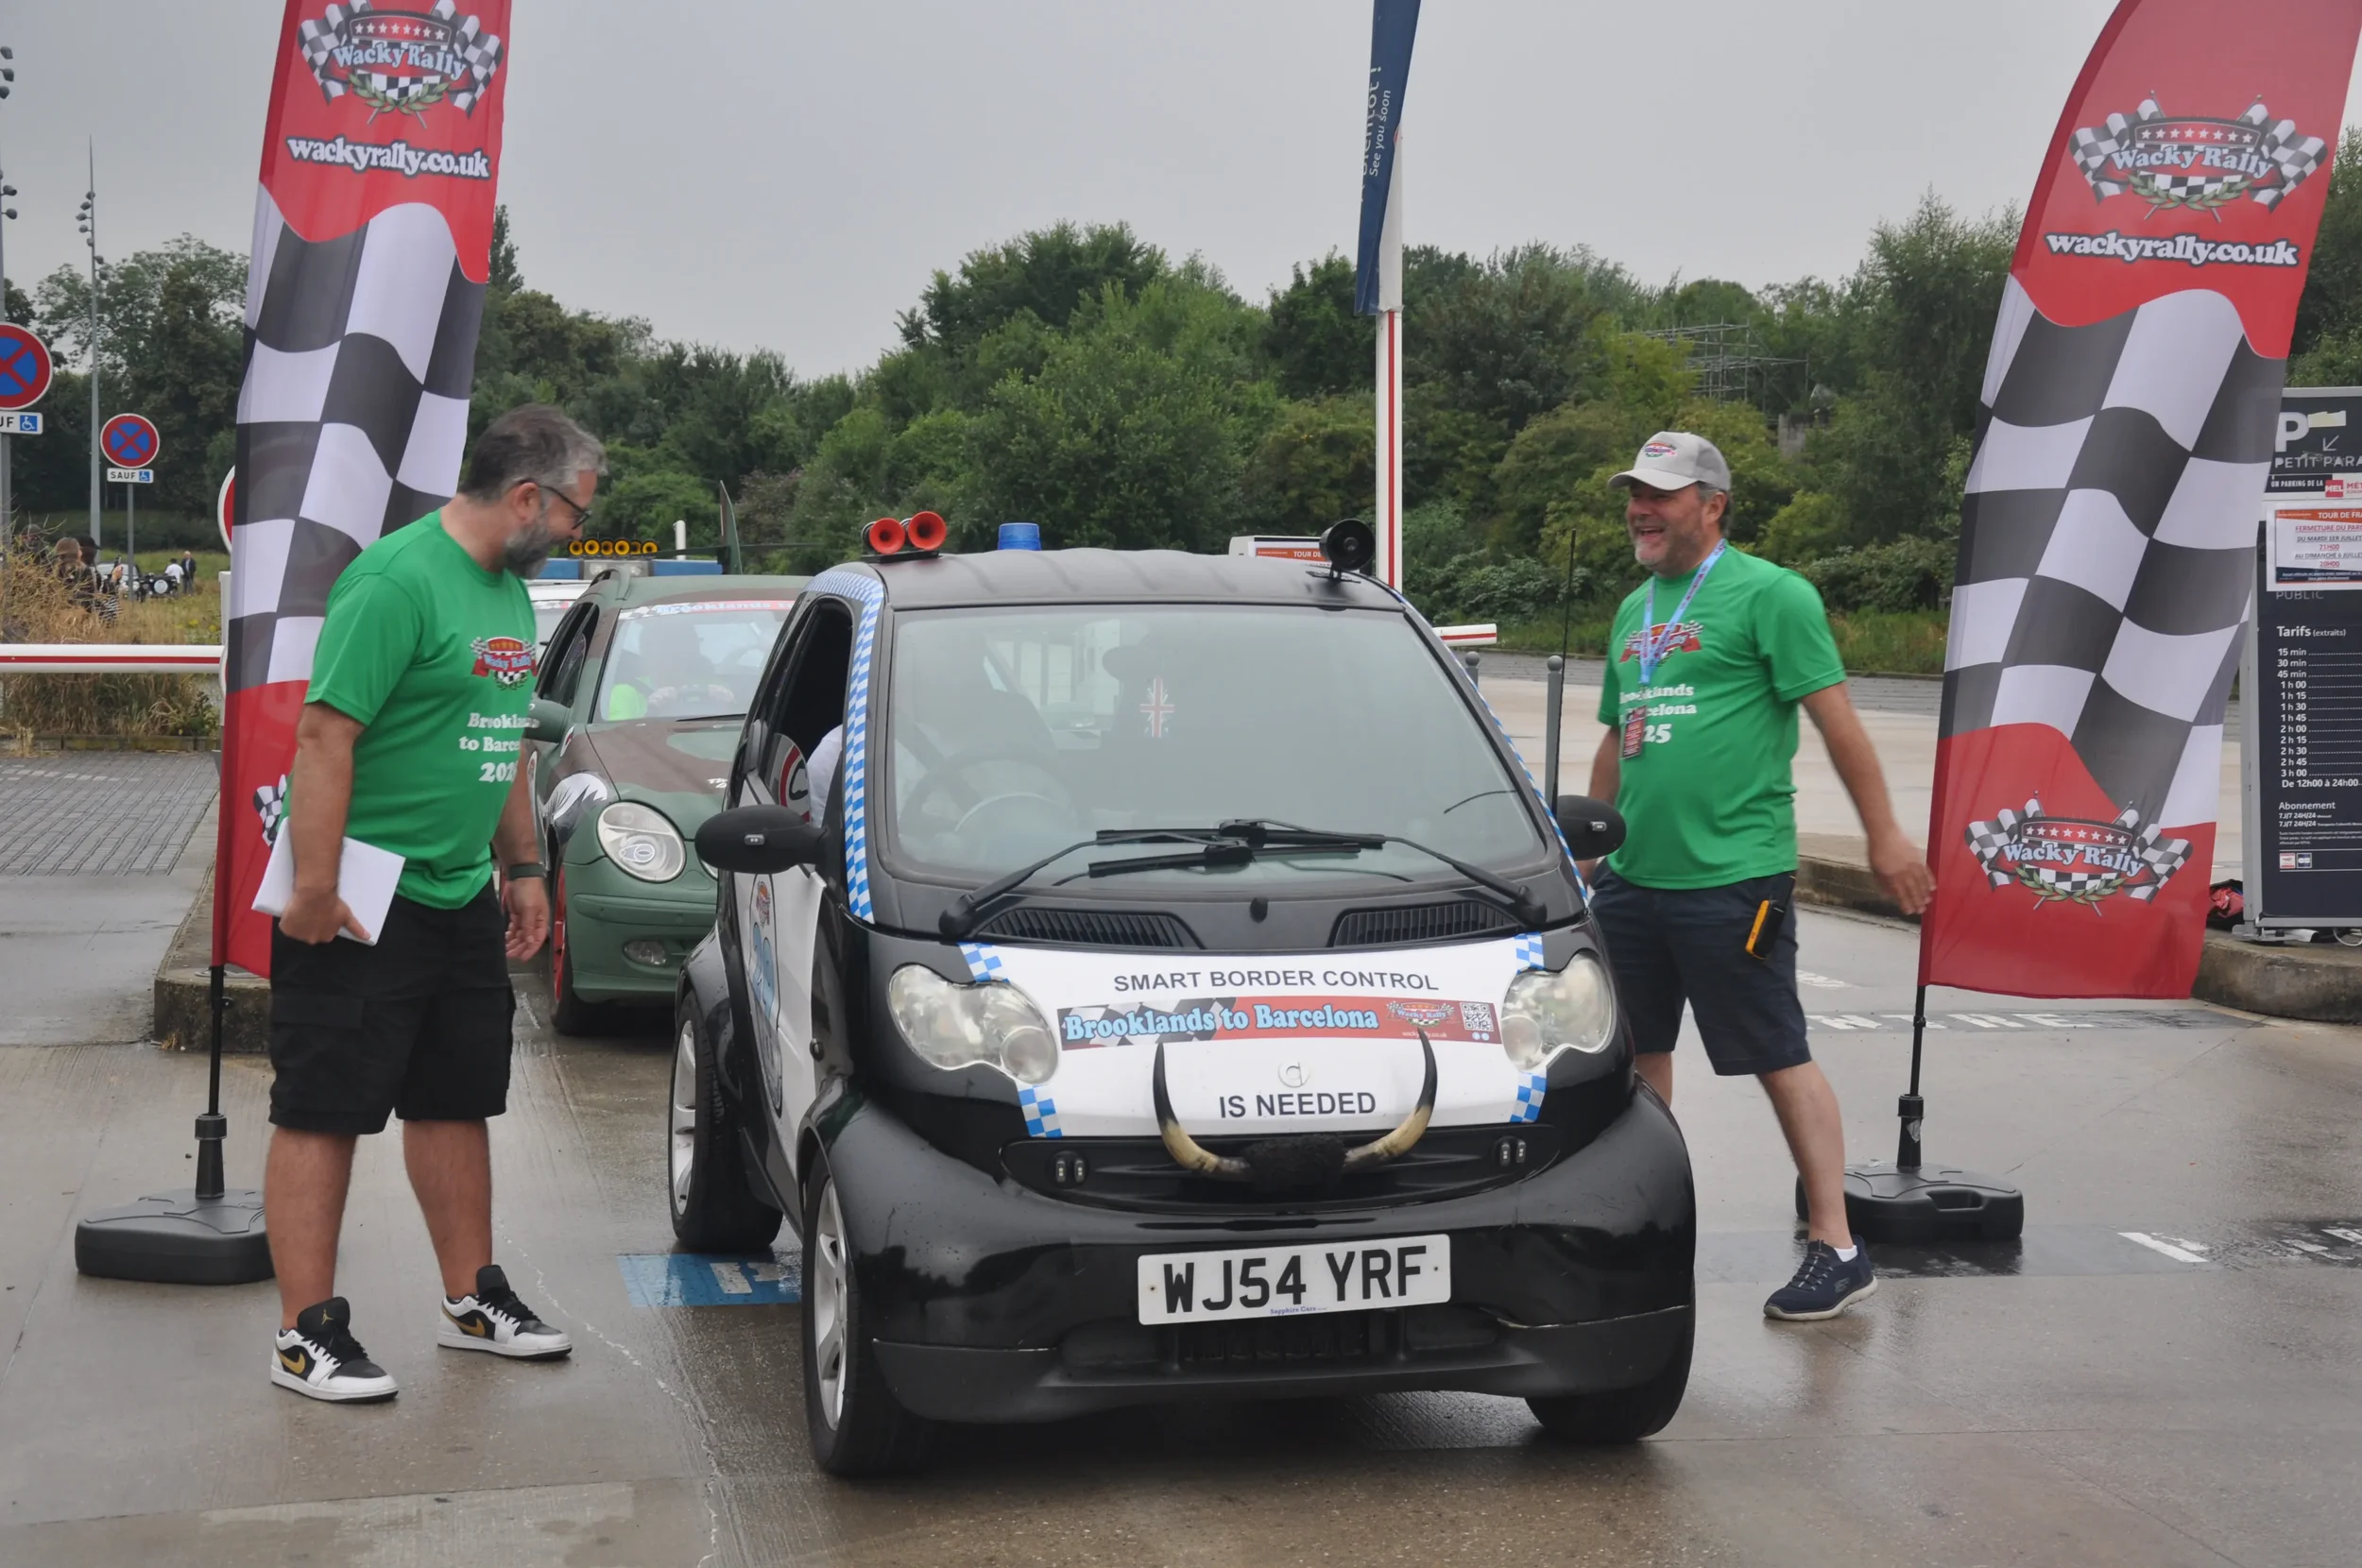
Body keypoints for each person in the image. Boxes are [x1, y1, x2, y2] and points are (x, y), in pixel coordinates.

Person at [265, 404, 603, 1403]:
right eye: (577, 513)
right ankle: (304, 1333)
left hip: (458, 891)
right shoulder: (395, 580)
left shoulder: (506, 595)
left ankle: (471, 1300)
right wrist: (317, 891)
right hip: (363, 891)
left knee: (456, 1097)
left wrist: (525, 865)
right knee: (323, 1108)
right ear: (528, 496)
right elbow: (325, 737)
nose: (579, 535)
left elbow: (495, 737)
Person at [1584, 431, 1934, 1322]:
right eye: (1636, 492)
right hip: (1634, 879)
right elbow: (1616, 735)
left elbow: (1838, 723)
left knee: (1777, 1054)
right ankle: (1644, 1232)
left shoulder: (1773, 595)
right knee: (1637, 1061)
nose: (1642, 507)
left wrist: (1885, 836)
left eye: (1662, 494)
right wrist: (1589, 844)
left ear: (1713, 504)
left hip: (1733, 878)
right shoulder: (1634, 611)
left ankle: (1837, 1243)